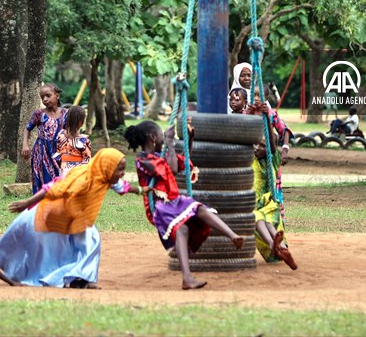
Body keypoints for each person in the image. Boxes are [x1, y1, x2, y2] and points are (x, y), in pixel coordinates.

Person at [0, 148, 137, 288]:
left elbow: (121, 186)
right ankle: (53, 276)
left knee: (91, 241)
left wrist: (142, 190)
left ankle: (80, 277)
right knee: (46, 251)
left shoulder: (103, 177)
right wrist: (28, 202)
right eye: (120, 169)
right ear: (108, 167)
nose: (122, 173)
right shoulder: (83, 179)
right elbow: (53, 188)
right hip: (53, 216)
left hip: (76, 220)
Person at [124, 120, 245, 290]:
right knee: (182, 227)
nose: (162, 139)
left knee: (198, 210)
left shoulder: (161, 155)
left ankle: (232, 236)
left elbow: (183, 162)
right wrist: (170, 143)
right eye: (160, 136)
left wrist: (189, 140)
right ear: (152, 137)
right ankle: (187, 278)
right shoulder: (143, 160)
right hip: (161, 207)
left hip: (175, 201)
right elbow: (172, 168)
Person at [252, 132, 296, 270]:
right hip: (252, 203)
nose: (257, 148)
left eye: (262, 146)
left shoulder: (273, 160)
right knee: (258, 217)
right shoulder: (249, 158)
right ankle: (274, 246)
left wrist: (267, 119)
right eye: (255, 143)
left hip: (268, 202)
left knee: (270, 221)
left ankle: (282, 249)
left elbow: (272, 146)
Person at [21, 83, 64, 194]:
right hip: (41, 152)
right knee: (43, 179)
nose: (45, 99)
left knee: (60, 178)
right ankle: (40, 206)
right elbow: (27, 129)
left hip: (60, 151)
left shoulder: (66, 113)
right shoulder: (39, 114)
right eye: (42, 97)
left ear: (57, 96)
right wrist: (25, 145)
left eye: (48, 95)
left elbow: (72, 131)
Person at [55, 105, 91, 173]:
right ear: (82, 123)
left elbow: (57, 154)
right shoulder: (84, 140)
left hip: (63, 170)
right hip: (77, 173)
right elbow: (86, 160)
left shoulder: (60, 135)